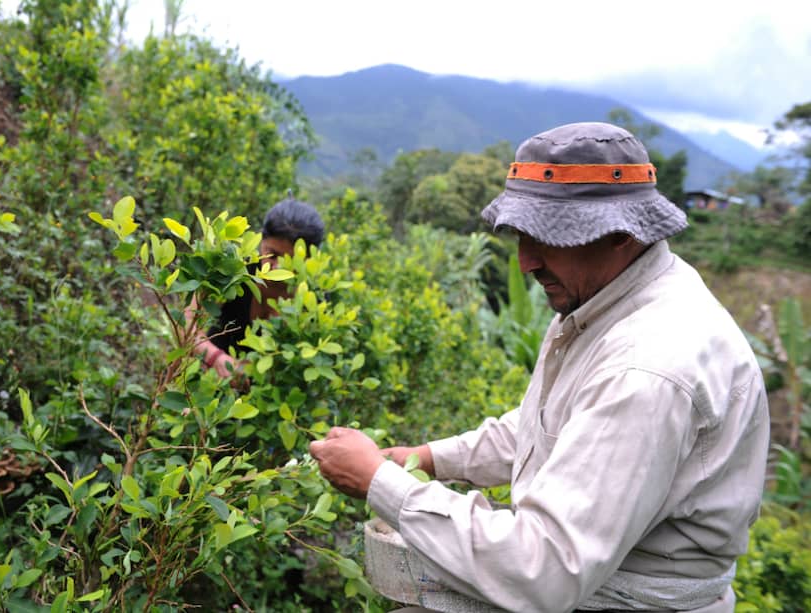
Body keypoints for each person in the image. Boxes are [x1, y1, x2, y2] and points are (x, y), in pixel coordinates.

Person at [310, 122, 769, 612]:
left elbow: (544, 570)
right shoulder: (597, 298)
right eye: (519, 236)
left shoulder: (647, 366)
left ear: (620, 233)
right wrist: (426, 457)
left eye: (549, 236)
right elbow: (547, 427)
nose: (527, 261)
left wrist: (381, 485)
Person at [191, 197, 325, 380]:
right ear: (261, 240)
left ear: (309, 259)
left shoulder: (313, 297)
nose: (277, 267)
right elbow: (186, 327)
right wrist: (215, 358)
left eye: (290, 260)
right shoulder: (231, 268)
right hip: (207, 378)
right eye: (273, 254)